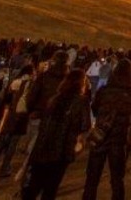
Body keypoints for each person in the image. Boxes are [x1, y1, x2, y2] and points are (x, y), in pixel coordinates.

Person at [22, 68, 91, 200]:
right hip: (61, 150)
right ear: (81, 83)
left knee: (33, 187)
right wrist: (79, 143)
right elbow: (85, 125)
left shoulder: (54, 99)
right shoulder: (82, 101)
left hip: (42, 147)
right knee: (50, 189)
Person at [82, 57, 131, 200]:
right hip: (119, 139)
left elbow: (94, 109)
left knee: (92, 179)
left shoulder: (104, 90)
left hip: (101, 135)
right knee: (117, 179)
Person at [0, 64, 34, 178]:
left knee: (1, 143)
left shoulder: (15, 83)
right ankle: (4, 168)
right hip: (20, 117)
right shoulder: (29, 86)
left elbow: (7, 99)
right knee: (11, 145)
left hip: (10, 114)